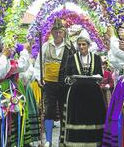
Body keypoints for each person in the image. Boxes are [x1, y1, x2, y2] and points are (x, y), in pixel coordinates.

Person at [34, 19, 75, 147]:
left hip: (64, 84)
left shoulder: (70, 48)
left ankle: (62, 139)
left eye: (60, 32)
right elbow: (38, 64)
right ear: (51, 32)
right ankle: (48, 140)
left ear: (64, 33)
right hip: (49, 84)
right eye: (55, 32)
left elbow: (74, 66)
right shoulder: (46, 46)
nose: (58, 34)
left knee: (64, 110)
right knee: (49, 111)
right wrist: (39, 78)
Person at [63, 34, 106, 146]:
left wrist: (98, 78)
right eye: (79, 44)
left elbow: (100, 75)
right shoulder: (71, 59)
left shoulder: (96, 58)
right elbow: (66, 76)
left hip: (93, 94)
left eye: (84, 44)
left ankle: (94, 142)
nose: (81, 47)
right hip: (76, 95)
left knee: (92, 117)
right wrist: (71, 79)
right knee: (78, 117)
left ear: (88, 45)